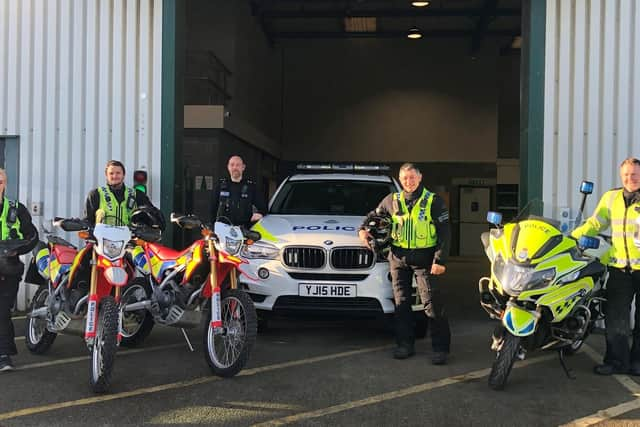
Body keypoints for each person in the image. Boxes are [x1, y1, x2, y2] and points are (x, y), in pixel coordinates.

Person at [359, 163, 451, 364]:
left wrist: (440, 260)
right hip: (398, 258)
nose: (408, 182)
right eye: (404, 179)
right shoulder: (392, 200)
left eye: (412, 177)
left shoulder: (432, 201)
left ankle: (440, 349)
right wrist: (362, 231)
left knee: (431, 304)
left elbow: (445, 232)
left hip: (425, 259)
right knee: (402, 304)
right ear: (400, 181)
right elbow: (372, 217)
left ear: (420, 177)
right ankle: (404, 345)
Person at [572, 157, 640, 376]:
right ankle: (616, 362)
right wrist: (571, 238)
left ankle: (638, 363)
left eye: (635, 174)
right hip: (619, 268)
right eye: (627, 175)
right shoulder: (611, 198)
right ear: (622, 176)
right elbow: (595, 223)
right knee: (616, 318)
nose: (631, 178)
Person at [0, 168, 38, 371]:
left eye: (0, 181)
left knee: (2, 311)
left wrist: (18, 250)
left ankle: (4, 355)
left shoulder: (16, 209)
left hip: (9, 269)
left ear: (5, 183)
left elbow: (32, 236)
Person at [84, 160, 163, 228]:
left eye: (118, 173)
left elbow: (151, 215)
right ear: (106, 176)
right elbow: (88, 221)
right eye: (111, 173)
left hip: (130, 242)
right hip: (102, 242)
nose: (115, 176)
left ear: (123, 175)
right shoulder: (96, 194)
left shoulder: (137, 195)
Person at [211, 155, 266, 227]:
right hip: (223, 229)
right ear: (228, 167)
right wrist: (212, 226)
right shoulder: (221, 186)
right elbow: (212, 208)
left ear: (243, 167)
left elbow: (263, 207)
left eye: (238, 165)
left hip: (244, 230)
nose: (235, 167)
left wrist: (260, 214)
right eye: (232, 165)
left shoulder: (251, 187)